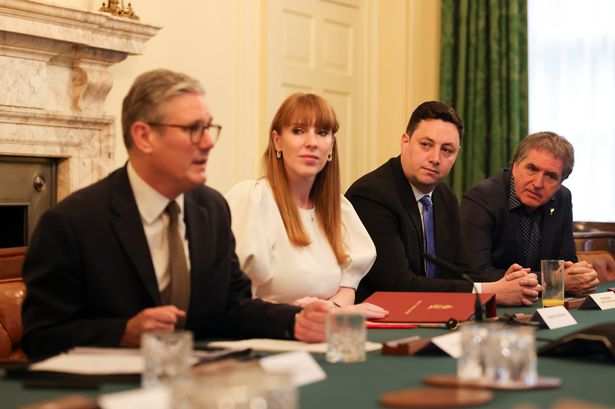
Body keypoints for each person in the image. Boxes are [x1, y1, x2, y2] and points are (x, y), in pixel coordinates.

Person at [21, 69, 330, 358]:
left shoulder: (211, 209)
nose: (208, 142)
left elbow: (232, 308)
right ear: (144, 136)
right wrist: (123, 333)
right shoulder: (72, 222)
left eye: (208, 128)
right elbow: (41, 337)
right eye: (193, 129)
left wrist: (294, 321)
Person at [346, 101, 541, 305]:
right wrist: (489, 291)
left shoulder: (445, 197)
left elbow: (459, 271)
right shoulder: (372, 195)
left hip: (434, 313)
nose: (435, 158)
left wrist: (504, 283)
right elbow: (398, 285)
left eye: (447, 150)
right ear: (405, 142)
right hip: (380, 320)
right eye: (426, 145)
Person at [226, 93, 387, 318]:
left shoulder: (338, 209)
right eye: (298, 131)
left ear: (331, 147)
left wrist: (333, 310)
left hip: (319, 337)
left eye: (322, 133)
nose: (311, 142)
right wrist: (298, 314)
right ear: (277, 141)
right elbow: (234, 301)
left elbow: (347, 287)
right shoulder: (253, 200)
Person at [460, 131, 599, 296]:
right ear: (515, 166)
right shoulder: (481, 198)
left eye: (551, 176)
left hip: (543, 304)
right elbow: (476, 274)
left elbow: (567, 263)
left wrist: (581, 276)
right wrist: (555, 281)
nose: (538, 183)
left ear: (561, 181)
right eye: (532, 169)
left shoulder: (562, 198)